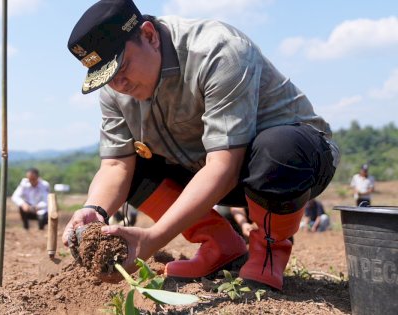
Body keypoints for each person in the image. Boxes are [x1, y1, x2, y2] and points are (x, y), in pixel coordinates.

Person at [62, 0, 339, 290]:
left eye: (123, 67)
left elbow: (224, 167)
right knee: (134, 166)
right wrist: (95, 208)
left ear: (148, 35)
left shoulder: (218, 51)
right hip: (209, 169)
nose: (118, 84)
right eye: (106, 78)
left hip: (293, 165)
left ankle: (269, 251)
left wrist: (153, 238)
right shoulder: (116, 91)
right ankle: (219, 246)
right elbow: (116, 164)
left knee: (279, 148)